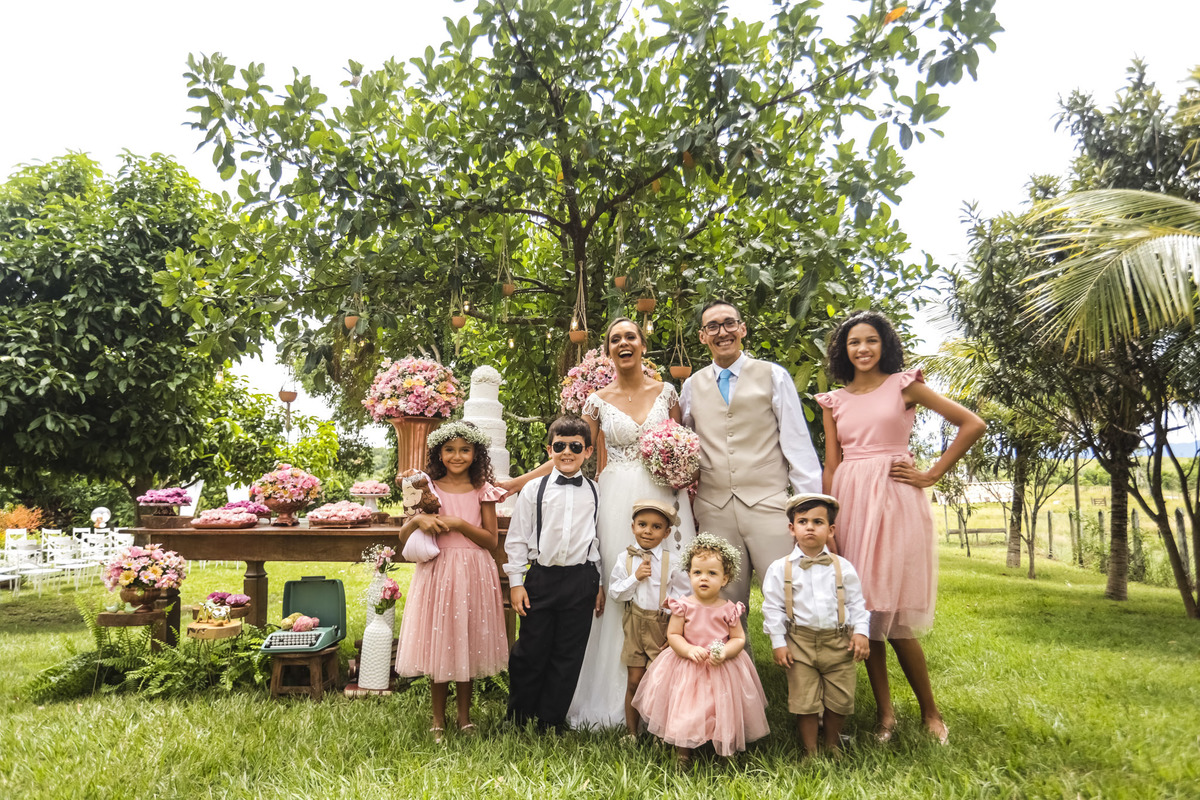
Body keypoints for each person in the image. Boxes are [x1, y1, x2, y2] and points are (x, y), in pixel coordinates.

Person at [501, 317, 696, 729]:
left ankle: (664, 691)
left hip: (662, 495)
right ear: (608, 351)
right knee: (613, 580)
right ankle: (604, 692)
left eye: (630, 336)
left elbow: (682, 445)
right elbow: (572, 452)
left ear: (643, 345)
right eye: (615, 339)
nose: (624, 342)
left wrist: (680, 472)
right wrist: (518, 483)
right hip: (615, 499)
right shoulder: (597, 401)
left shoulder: (667, 392)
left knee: (665, 581)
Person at [816, 310, 986, 745]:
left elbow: (972, 424)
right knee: (866, 612)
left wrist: (932, 474)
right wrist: (828, 520)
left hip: (893, 500)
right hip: (850, 502)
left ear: (884, 344)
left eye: (871, 340)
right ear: (844, 350)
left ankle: (931, 713)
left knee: (895, 619)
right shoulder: (834, 401)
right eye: (854, 342)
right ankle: (885, 716)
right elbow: (832, 464)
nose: (863, 349)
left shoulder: (904, 386)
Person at [680, 299, 823, 632]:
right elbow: (685, 445)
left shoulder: (773, 376)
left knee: (792, 597)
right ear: (702, 336)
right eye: (712, 326)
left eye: (729, 323)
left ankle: (802, 664)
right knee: (720, 608)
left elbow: (798, 446)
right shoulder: (691, 386)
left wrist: (810, 512)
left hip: (769, 505)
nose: (722, 332)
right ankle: (733, 667)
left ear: (742, 329)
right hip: (714, 510)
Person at [394, 420, 508, 743]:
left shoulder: (483, 489)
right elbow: (403, 536)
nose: (457, 456)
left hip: (473, 571)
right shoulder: (427, 487)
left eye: (465, 450)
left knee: (466, 642)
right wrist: (419, 519)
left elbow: (491, 540)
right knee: (440, 642)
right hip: (438, 570)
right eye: (450, 450)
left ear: (476, 453)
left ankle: (464, 717)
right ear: (439, 453)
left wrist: (458, 522)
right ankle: (437, 719)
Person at [632, 532, 769, 768]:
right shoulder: (683, 606)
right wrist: (687, 650)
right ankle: (683, 753)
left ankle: (725, 752)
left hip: (721, 668)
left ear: (725, 579)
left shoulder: (729, 609)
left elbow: (738, 638)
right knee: (686, 710)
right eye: (697, 573)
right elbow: (674, 635)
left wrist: (724, 651)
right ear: (689, 575)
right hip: (689, 666)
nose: (703, 578)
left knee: (723, 709)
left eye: (712, 573)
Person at [504, 416, 604, 732]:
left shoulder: (596, 492)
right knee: (529, 650)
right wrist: (516, 583)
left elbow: (597, 540)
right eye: (560, 446)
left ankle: (551, 719)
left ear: (588, 451)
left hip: (580, 580)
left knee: (568, 653)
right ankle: (518, 716)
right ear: (549, 450)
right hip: (541, 579)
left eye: (575, 446)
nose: (567, 452)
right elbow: (517, 539)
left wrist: (598, 581)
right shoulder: (533, 490)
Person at [762, 493, 870, 757]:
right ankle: (810, 752)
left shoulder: (843, 567)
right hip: (799, 643)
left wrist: (861, 632)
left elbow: (856, 603)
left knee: (840, 699)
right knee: (805, 701)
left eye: (818, 522)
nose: (810, 527)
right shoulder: (779, 569)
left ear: (831, 530)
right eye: (803, 521)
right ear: (792, 528)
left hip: (839, 642)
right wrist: (778, 643)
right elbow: (773, 608)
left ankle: (832, 744)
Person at [607, 499, 691, 740]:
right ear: (633, 526)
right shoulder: (625, 558)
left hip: (660, 625)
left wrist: (676, 632)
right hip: (634, 624)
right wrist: (635, 577)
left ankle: (659, 734)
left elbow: (683, 599)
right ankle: (632, 732)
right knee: (634, 681)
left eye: (656, 527)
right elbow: (615, 593)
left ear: (667, 533)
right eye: (642, 524)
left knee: (659, 682)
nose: (648, 531)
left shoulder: (673, 562)